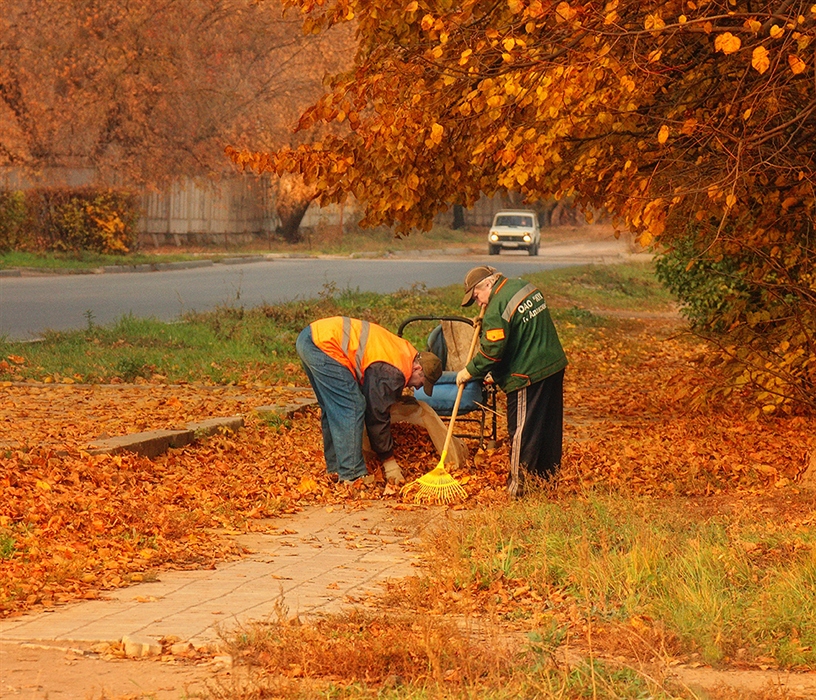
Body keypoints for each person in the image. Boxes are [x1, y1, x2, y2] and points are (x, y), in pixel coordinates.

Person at [456, 266, 567, 497]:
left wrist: (468, 371)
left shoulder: (496, 308)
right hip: (553, 365)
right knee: (547, 428)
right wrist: (486, 322)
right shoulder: (522, 286)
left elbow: (491, 353)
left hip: (526, 375)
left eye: (477, 297)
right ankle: (546, 483)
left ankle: (518, 489)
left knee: (522, 432)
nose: (478, 303)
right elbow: (516, 331)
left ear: (487, 285)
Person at [296, 316, 442, 486]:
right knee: (352, 406)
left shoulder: (405, 352)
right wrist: (389, 462)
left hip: (312, 337)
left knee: (333, 407)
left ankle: (336, 468)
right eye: (421, 382)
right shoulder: (392, 371)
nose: (417, 387)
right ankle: (352, 475)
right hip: (324, 345)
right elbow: (376, 414)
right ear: (418, 368)